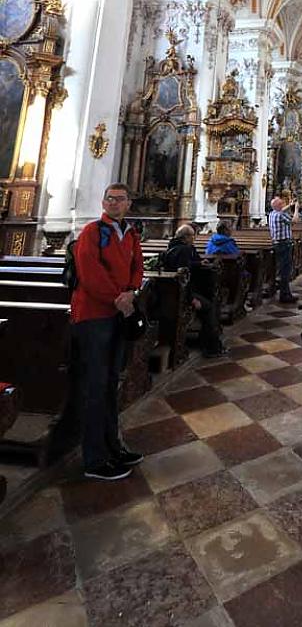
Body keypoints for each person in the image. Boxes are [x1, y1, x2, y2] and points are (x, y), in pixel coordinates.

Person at [71, 182, 144, 481]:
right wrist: (118, 298)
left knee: (111, 384)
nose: (113, 203)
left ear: (128, 204)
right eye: (109, 199)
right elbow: (89, 273)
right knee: (95, 388)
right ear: (103, 203)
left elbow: (137, 267)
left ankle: (113, 446)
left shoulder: (131, 234)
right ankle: (94, 459)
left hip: (117, 315)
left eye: (119, 199)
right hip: (94, 316)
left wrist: (131, 291)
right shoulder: (92, 232)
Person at [162, 225, 224, 357]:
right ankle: (210, 348)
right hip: (182, 293)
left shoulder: (173, 246)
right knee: (209, 308)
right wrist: (191, 299)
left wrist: (199, 263)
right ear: (186, 237)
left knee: (207, 304)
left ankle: (208, 342)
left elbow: (187, 265)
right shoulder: (184, 250)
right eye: (192, 236)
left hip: (173, 291)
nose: (194, 238)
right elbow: (183, 276)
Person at [266, 196, 299, 304]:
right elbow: (294, 221)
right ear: (278, 206)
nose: (283, 205)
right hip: (284, 244)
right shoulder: (280, 215)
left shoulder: (272, 214)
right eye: (281, 204)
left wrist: (290, 205)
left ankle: (285, 293)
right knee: (285, 270)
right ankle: (284, 295)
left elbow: (280, 210)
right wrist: (296, 209)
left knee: (282, 269)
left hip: (277, 244)